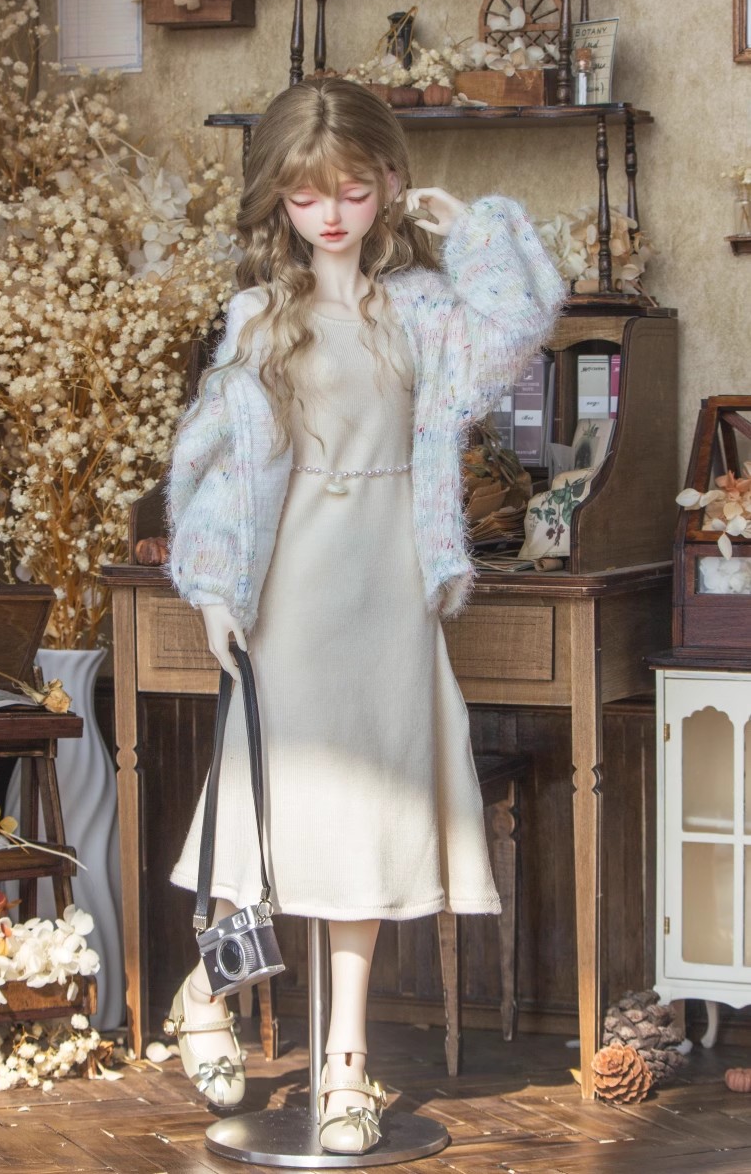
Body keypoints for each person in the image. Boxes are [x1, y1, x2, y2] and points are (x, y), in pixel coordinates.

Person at [162, 78, 565, 1153]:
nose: (330, 215)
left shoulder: (424, 309)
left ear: (386, 183)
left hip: (389, 586)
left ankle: (345, 1061)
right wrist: (214, 589)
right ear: (279, 201)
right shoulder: (260, 316)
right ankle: (207, 989)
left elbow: (521, 325)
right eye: (306, 196)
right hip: (291, 585)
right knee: (275, 809)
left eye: (351, 190)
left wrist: (472, 230)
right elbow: (220, 466)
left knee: (369, 825)